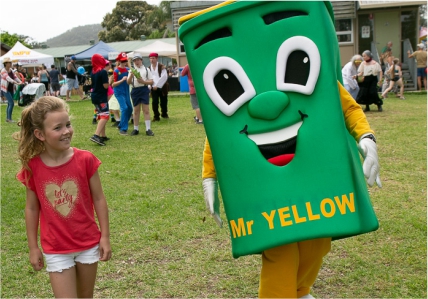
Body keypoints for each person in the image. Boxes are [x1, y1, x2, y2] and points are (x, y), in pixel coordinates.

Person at [178, 2, 381, 298]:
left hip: (314, 176)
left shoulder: (323, 83)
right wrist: (210, 176)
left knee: (318, 240)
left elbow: (346, 108)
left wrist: (367, 139)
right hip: (264, 188)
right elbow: (222, 133)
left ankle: (299, 290)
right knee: (280, 248)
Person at [15, 96, 111, 298]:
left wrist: (105, 236)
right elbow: (31, 209)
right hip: (56, 248)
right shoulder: (33, 167)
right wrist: (33, 248)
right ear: (40, 134)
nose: (66, 131)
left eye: (67, 124)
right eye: (58, 128)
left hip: (87, 244)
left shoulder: (85, 159)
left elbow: (99, 199)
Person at [128, 54, 155, 136]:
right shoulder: (132, 70)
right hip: (135, 90)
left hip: (144, 89)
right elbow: (128, 82)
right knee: (136, 110)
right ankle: (136, 129)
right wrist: (131, 76)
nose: (137, 62)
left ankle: (148, 129)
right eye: (135, 61)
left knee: (146, 110)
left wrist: (144, 82)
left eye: (138, 60)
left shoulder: (146, 69)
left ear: (141, 60)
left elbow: (151, 81)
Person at [90, 55, 111, 146]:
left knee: (101, 115)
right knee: (105, 116)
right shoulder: (103, 72)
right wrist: (110, 80)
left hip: (94, 96)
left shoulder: (93, 71)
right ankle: (96, 135)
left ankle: (103, 135)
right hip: (101, 96)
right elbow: (105, 86)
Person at [112, 52, 132, 135]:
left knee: (130, 108)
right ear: (119, 61)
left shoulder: (128, 70)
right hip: (119, 92)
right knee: (124, 108)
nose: (124, 62)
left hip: (126, 91)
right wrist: (122, 80)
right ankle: (123, 129)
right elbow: (113, 84)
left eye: (125, 61)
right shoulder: (116, 71)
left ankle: (121, 124)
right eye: (122, 61)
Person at [148, 52, 169, 121]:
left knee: (163, 101)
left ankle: (164, 113)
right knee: (155, 102)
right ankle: (156, 116)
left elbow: (164, 77)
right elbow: (147, 78)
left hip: (162, 87)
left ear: (157, 58)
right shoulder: (148, 68)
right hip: (153, 88)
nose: (152, 60)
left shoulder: (161, 66)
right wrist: (150, 86)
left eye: (153, 58)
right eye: (150, 58)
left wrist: (157, 85)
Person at [1, 57, 22, 122]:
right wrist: (16, 82)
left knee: (9, 103)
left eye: (11, 62)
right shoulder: (3, 71)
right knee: (11, 103)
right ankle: (9, 119)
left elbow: (15, 77)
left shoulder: (11, 70)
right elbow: (8, 78)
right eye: (9, 62)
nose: (10, 63)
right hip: (5, 89)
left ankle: (8, 118)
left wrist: (20, 81)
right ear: (5, 63)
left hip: (11, 88)